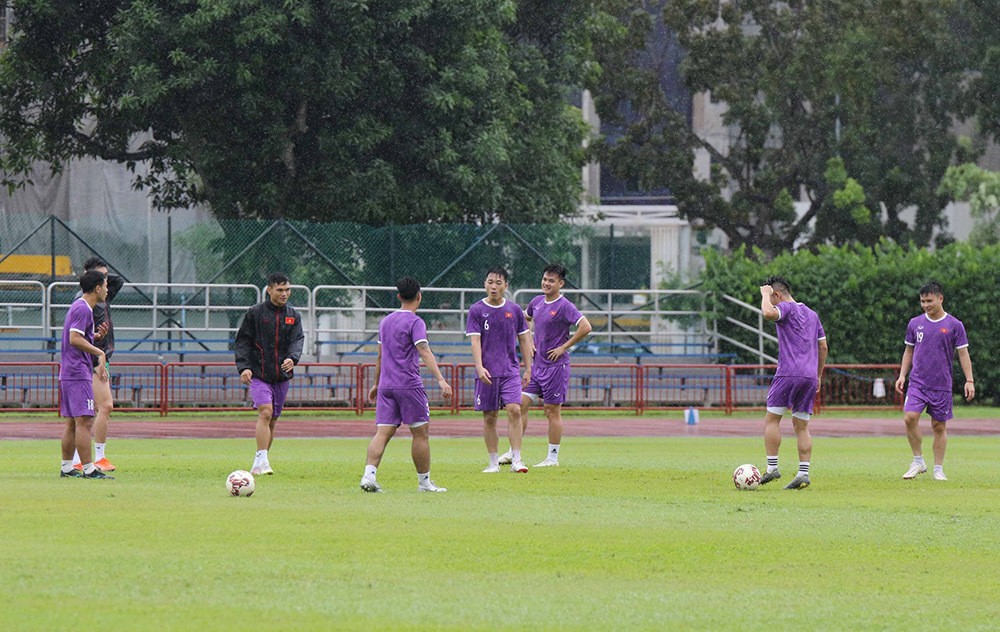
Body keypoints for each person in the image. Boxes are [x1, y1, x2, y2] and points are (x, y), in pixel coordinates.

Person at [360, 277, 453, 493]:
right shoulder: (415, 322)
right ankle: (424, 483)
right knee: (420, 434)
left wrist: (375, 384)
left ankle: (368, 476)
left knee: (382, 433)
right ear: (419, 296)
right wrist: (440, 379)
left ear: (399, 296)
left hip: (386, 386)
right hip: (408, 385)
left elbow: (380, 356)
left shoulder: (385, 322)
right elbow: (423, 350)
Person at [498, 264, 591, 467]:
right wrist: (529, 340)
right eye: (545, 279)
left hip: (557, 367)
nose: (546, 283)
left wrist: (563, 347)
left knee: (551, 411)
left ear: (560, 284)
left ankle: (552, 457)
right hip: (537, 367)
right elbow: (525, 319)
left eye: (551, 281)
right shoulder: (536, 302)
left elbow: (586, 327)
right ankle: (514, 452)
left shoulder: (565, 305)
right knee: (519, 404)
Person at [894, 281, 974, 481]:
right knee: (909, 417)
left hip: (941, 384)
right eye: (922, 301)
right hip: (918, 383)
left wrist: (969, 380)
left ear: (940, 299)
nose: (926, 305)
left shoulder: (955, 325)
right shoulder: (915, 323)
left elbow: (963, 354)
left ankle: (938, 468)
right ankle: (918, 461)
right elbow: (909, 350)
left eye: (929, 300)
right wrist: (902, 374)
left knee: (939, 426)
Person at [758, 276, 828, 490]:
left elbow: (768, 313)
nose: (771, 301)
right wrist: (818, 375)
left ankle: (772, 468)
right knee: (801, 425)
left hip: (788, 372)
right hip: (808, 376)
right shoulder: (812, 314)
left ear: (777, 295)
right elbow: (823, 347)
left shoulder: (786, 308)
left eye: (772, 298)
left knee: (772, 420)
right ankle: (803, 472)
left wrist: (764, 295)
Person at [234, 273, 304, 476]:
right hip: (259, 374)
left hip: (281, 376)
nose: (285, 294)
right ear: (269, 290)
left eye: (288, 289)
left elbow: (297, 340)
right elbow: (243, 341)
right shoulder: (255, 313)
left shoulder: (293, 315)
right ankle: (261, 459)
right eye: (280, 290)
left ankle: (260, 461)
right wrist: (244, 367)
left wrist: (293, 357)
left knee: (272, 419)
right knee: (265, 412)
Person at [466, 266, 534, 473]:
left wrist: (529, 368)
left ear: (506, 285)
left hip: (510, 371)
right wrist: (479, 367)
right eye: (489, 282)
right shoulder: (476, 310)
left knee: (514, 410)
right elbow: (475, 341)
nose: (493, 287)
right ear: (485, 284)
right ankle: (493, 462)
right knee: (490, 416)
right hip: (487, 372)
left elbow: (524, 339)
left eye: (497, 283)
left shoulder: (514, 310)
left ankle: (517, 460)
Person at [71, 257, 125, 473]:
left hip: (100, 358)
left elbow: (118, 281)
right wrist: (96, 361)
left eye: (105, 276)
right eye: (101, 277)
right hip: (91, 361)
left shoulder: (100, 295)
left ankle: (79, 460)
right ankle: (95, 458)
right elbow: (77, 337)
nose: (106, 281)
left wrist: (99, 276)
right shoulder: (84, 302)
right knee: (100, 408)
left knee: (89, 412)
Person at [59, 269, 114, 479]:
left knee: (72, 422)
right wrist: (99, 351)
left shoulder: (79, 307)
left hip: (68, 371)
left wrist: (94, 335)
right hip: (77, 371)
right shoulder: (83, 309)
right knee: (84, 421)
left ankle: (66, 467)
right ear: (97, 288)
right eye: (105, 286)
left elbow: (79, 335)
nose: (107, 290)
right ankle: (89, 469)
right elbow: (74, 338)